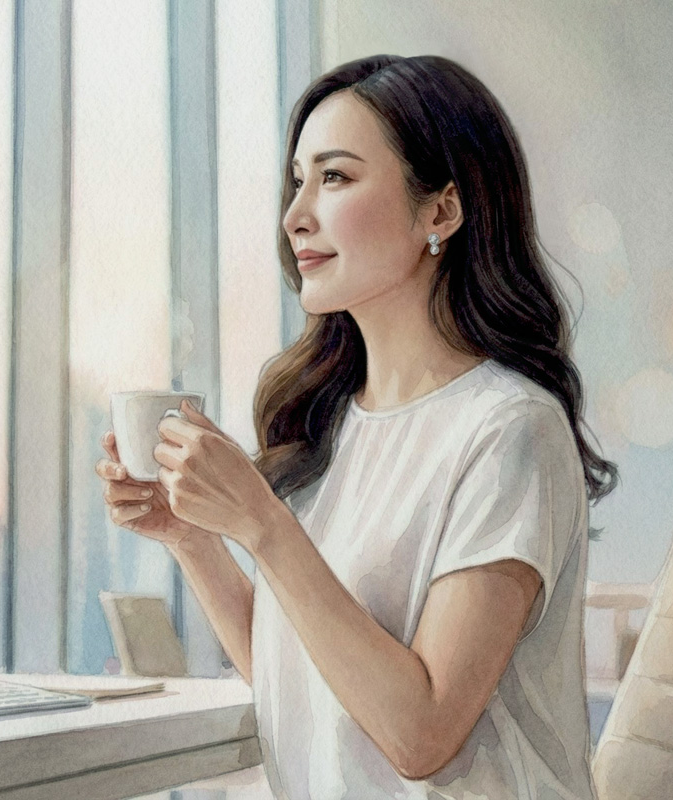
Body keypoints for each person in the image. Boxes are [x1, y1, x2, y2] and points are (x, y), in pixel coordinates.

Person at [96, 54, 617, 799]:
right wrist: (195, 538)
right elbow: (306, 678)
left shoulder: (510, 429)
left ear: (441, 212)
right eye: (297, 182)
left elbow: (420, 734)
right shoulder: (330, 425)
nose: (295, 216)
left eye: (335, 177)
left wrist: (264, 523)